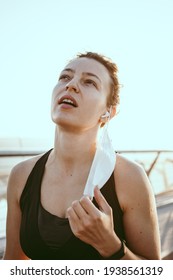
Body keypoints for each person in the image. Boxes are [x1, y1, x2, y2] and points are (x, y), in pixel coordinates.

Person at [3, 52, 161, 260]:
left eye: (89, 82)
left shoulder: (129, 177)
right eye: (65, 77)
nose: (71, 85)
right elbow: (13, 266)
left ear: (108, 112)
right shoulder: (22, 175)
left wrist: (111, 247)